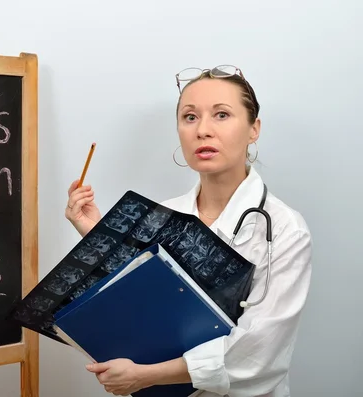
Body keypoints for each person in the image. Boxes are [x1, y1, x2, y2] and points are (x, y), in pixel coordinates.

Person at [64, 65, 313, 397]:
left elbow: (258, 352)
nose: (203, 131)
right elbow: (140, 299)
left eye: (221, 115)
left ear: (254, 129)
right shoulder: (163, 216)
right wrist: (96, 232)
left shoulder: (284, 230)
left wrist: (147, 376)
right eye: (190, 117)